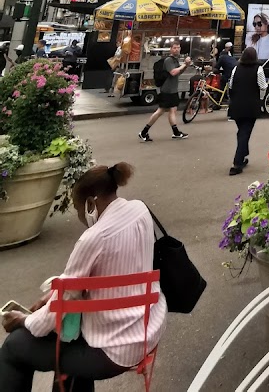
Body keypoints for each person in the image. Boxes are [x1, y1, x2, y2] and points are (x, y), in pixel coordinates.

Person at [0, 162, 166, 391]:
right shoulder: (140, 210)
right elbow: (108, 273)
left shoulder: (93, 238)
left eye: (79, 210)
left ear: (90, 203)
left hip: (113, 351)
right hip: (148, 328)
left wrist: (24, 320)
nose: (81, 217)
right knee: (70, 337)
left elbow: (60, 307)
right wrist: (55, 294)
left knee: (14, 347)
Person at [137, 41, 191, 141]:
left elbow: (179, 72)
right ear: (170, 49)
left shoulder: (175, 60)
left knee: (172, 110)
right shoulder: (169, 60)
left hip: (173, 89)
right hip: (167, 90)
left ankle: (175, 132)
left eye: (178, 48)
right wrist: (184, 64)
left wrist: (186, 65)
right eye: (174, 48)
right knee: (160, 111)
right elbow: (173, 72)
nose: (177, 49)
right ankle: (144, 132)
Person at [228, 45, 267, 175]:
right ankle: (237, 163)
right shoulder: (258, 69)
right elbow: (263, 86)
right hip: (251, 106)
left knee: (241, 132)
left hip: (236, 106)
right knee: (244, 132)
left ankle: (244, 154)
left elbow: (231, 85)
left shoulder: (236, 68)